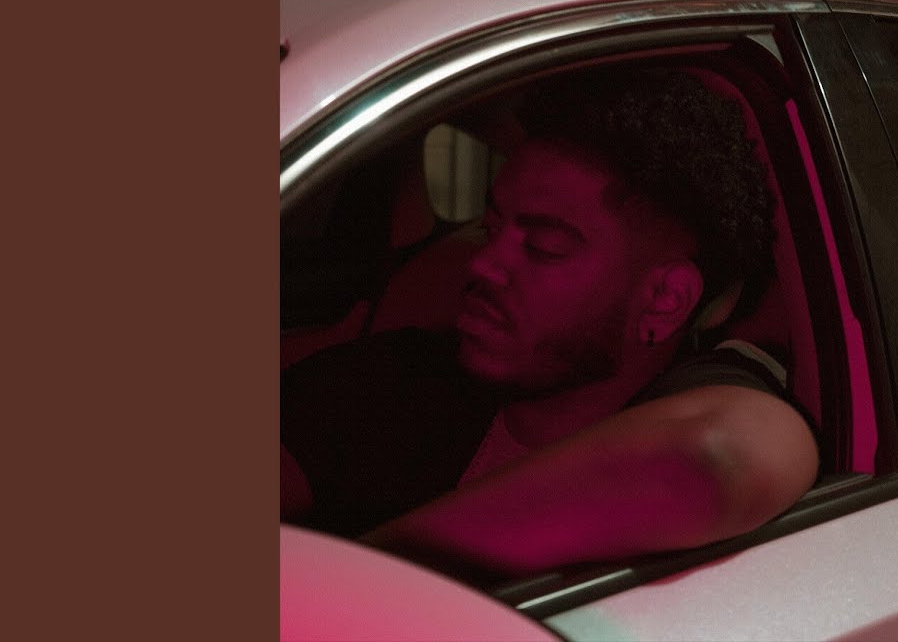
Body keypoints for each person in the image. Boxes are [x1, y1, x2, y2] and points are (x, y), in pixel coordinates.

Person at [280, 67, 820, 580]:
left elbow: (716, 461)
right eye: (491, 228)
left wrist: (357, 581)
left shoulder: (702, 396)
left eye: (543, 246)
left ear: (662, 301)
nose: (483, 264)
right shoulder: (399, 382)